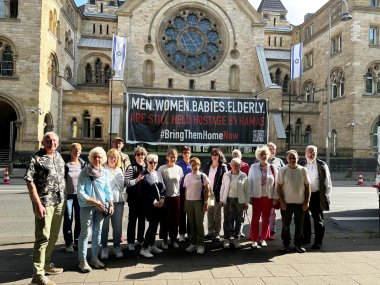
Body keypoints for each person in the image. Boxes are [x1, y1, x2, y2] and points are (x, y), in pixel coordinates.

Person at [25, 132, 66, 285]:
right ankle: (37, 275)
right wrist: (37, 204)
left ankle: (46, 264)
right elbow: (29, 182)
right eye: (48, 140)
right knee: (43, 238)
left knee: (53, 236)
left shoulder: (58, 157)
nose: (51, 143)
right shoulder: (36, 158)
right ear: (43, 142)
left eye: (54, 140)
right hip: (45, 203)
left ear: (58, 142)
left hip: (59, 202)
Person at [77, 147, 113, 272]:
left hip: (101, 207)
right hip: (88, 206)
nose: (97, 159)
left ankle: (94, 258)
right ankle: (82, 261)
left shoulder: (105, 172)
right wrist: (94, 202)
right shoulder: (85, 172)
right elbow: (80, 192)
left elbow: (108, 190)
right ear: (91, 158)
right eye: (94, 157)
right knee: (85, 232)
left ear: (103, 159)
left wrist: (111, 204)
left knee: (97, 232)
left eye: (99, 157)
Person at [277, 150, 311, 253]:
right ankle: (286, 244)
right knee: (285, 225)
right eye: (290, 158)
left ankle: (298, 244)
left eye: (294, 158)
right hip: (286, 203)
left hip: (300, 203)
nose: (292, 160)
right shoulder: (282, 170)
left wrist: (307, 201)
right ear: (286, 159)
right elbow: (278, 187)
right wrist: (282, 201)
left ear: (298, 158)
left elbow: (307, 186)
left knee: (299, 225)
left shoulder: (303, 170)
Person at [299, 145, 332, 250]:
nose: (311, 154)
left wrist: (325, 195)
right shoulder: (301, 164)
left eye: (313, 153)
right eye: (309, 152)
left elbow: (328, 182)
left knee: (318, 219)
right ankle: (306, 238)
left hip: (317, 195)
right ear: (305, 153)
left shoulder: (322, 165)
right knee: (304, 218)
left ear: (316, 154)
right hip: (304, 195)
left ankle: (318, 241)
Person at [248, 146, 278, 248]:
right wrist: (250, 196)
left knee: (266, 219)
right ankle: (254, 239)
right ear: (258, 156)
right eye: (262, 154)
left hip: (268, 197)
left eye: (265, 154)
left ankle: (263, 238)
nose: (264, 156)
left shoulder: (272, 167)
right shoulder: (253, 167)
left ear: (268, 155)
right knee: (255, 218)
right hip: (256, 196)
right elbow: (250, 182)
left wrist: (275, 197)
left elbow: (276, 183)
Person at [101, 149, 127, 259]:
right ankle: (104, 248)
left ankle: (117, 246)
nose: (113, 159)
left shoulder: (120, 170)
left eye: (115, 157)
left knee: (117, 226)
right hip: (106, 202)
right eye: (111, 157)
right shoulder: (103, 169)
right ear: (107, 158)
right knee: (104, 226)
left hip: (119, 201)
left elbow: (123, 185)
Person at [139, 154, 166, 258]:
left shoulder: (159, 173)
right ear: (147, 162)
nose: (153, 164)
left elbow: (163, 188)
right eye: (151, 162)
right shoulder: (143, 174)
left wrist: (162, 199)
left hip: (159, 204)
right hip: (149, 205)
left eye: (155, 162)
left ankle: (152, 245)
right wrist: (154, 201)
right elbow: (142, 192)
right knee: (152, 226)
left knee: (155, 225)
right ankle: (144, 248)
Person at [220, 158, 249, 249]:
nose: (235, 167)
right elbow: (223, 187)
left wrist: (246, 203)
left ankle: (236, 238)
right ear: (230, 165)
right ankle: (227, 239)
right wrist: (221, 199)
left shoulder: (244, 175)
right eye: (233, 165)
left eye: (237, 165)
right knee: (227, 219)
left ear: (240, 166)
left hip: (239, 200)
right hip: (228, 199)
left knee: (239, 220)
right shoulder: (226, 174)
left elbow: (247, 191)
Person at [183, 157, 210, 255]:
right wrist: (185, 203)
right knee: (192, 224)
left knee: (199, 224)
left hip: (199, 202)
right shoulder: (187, 176)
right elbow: (186, 190)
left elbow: (208, 190)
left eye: (196, 165)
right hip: (189, 202)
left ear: (199, 165)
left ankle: (200, 245)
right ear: (190, 166)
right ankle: (193, 243)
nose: (195, 167)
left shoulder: (203, 176)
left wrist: (206, 203)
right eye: (193, 165)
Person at [63, 143, 86, 254]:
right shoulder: (65, 164)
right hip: (68, 196)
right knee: (68, 219)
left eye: (79, 149)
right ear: (70, 150)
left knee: (79, 218)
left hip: (79, 195)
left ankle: (76, 241)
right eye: (74, 149)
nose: (77, 151)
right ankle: (68, 243)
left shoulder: (83, 163)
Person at [158, 149, 183, 249]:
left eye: (174, 157)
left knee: (175, 220)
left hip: (176, 197)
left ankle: (173, 239)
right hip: (165, 198)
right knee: (164, 219)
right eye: (171, 156)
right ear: (167, 157)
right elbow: (159, 183)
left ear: (176, 158)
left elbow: (179, 182)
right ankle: (164, 240)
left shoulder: (179, 169)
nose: (172, 158)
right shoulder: (162, 168)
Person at [124, 146, 147, 251]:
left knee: (142, 220)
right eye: (138, 154)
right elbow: (127, 183)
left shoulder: (147, 167)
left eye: (142, 154)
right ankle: (130, 242)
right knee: (132, 220)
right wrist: (137, 180)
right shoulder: (131, 167)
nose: (140, 156)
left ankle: (140, 240)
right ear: (135, 156)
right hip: (133, 199)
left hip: (144, 199)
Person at [203, 148, 227, 242]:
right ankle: (210, 232)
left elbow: (225, 183)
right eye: (212, 154)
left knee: (217, 214)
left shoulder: (223, 167)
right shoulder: (207, 166)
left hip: (218, 194)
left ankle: (217, 234)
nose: (214, 156)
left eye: (216, 154)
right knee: (210, 212)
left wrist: (222, 197)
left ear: (219, 156)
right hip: (209, 193)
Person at [267, 142, 285, 240]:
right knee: (264, 212)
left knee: (272, 211)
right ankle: (264, 230)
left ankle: (272, 230)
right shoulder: (258, 160)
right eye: (270, 149)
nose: (272, 151)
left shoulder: (279, 161)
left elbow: (285, 172)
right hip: (264, 191)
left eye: (273, 149)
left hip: (275, 190)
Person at [177, 145, 192, 242]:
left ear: (190, 154)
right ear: (182, 154)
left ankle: (190, 233)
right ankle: (182, 233)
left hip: (191, 192)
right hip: (181, 191)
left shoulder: (193, 164)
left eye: (188, 152)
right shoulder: (178, 165)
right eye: (185, 152)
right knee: (182, 213)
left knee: (190, 213)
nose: (186, 154)